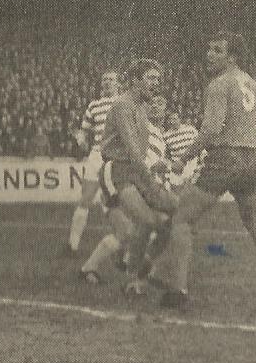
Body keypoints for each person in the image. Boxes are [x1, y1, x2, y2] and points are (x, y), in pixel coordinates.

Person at [148, 31, 256, 309]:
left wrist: (182, 159)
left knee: (182, 219)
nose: (209, 54)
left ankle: (178, 291)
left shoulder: (220, 84)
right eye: (209, 48)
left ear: (233, 57)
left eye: (217, 50)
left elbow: (209, 130)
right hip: (250, 158)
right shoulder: (253, 84)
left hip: (224, 159)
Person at [96, 59, 177, 297]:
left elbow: (141, 152)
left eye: (158, 79)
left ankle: (142, 265)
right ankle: (132, 277)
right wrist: (151, 180)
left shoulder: (142, 107)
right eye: (151, 78)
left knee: (171, 215)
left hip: (136, 171)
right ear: (135, 81)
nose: (156, 84)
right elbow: (132, 149)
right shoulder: (123, 105)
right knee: (147, 220)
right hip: (117, 170)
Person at [80, 94, 170, 283]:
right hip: (118, 181)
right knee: (129, 230)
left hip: (137, 185)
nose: (155, 106)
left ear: (166, 110)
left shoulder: (159, 135)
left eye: (160, 103)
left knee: (157, 225)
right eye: (151, 103)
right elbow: (140, 162)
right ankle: (102, 269)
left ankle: (137, 266)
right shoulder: (138, 128)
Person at [64, 71, 121, 257]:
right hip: (96, 156)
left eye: (111, 79)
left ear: (118, 84)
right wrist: (80, 139)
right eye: (104, 79)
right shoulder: (93, 106)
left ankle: (124, 242)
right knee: (85, 198)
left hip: (116, 158)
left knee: (119, 202)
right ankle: (72, 246)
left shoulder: (123, 103)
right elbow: (84, 130)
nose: (107, 82)